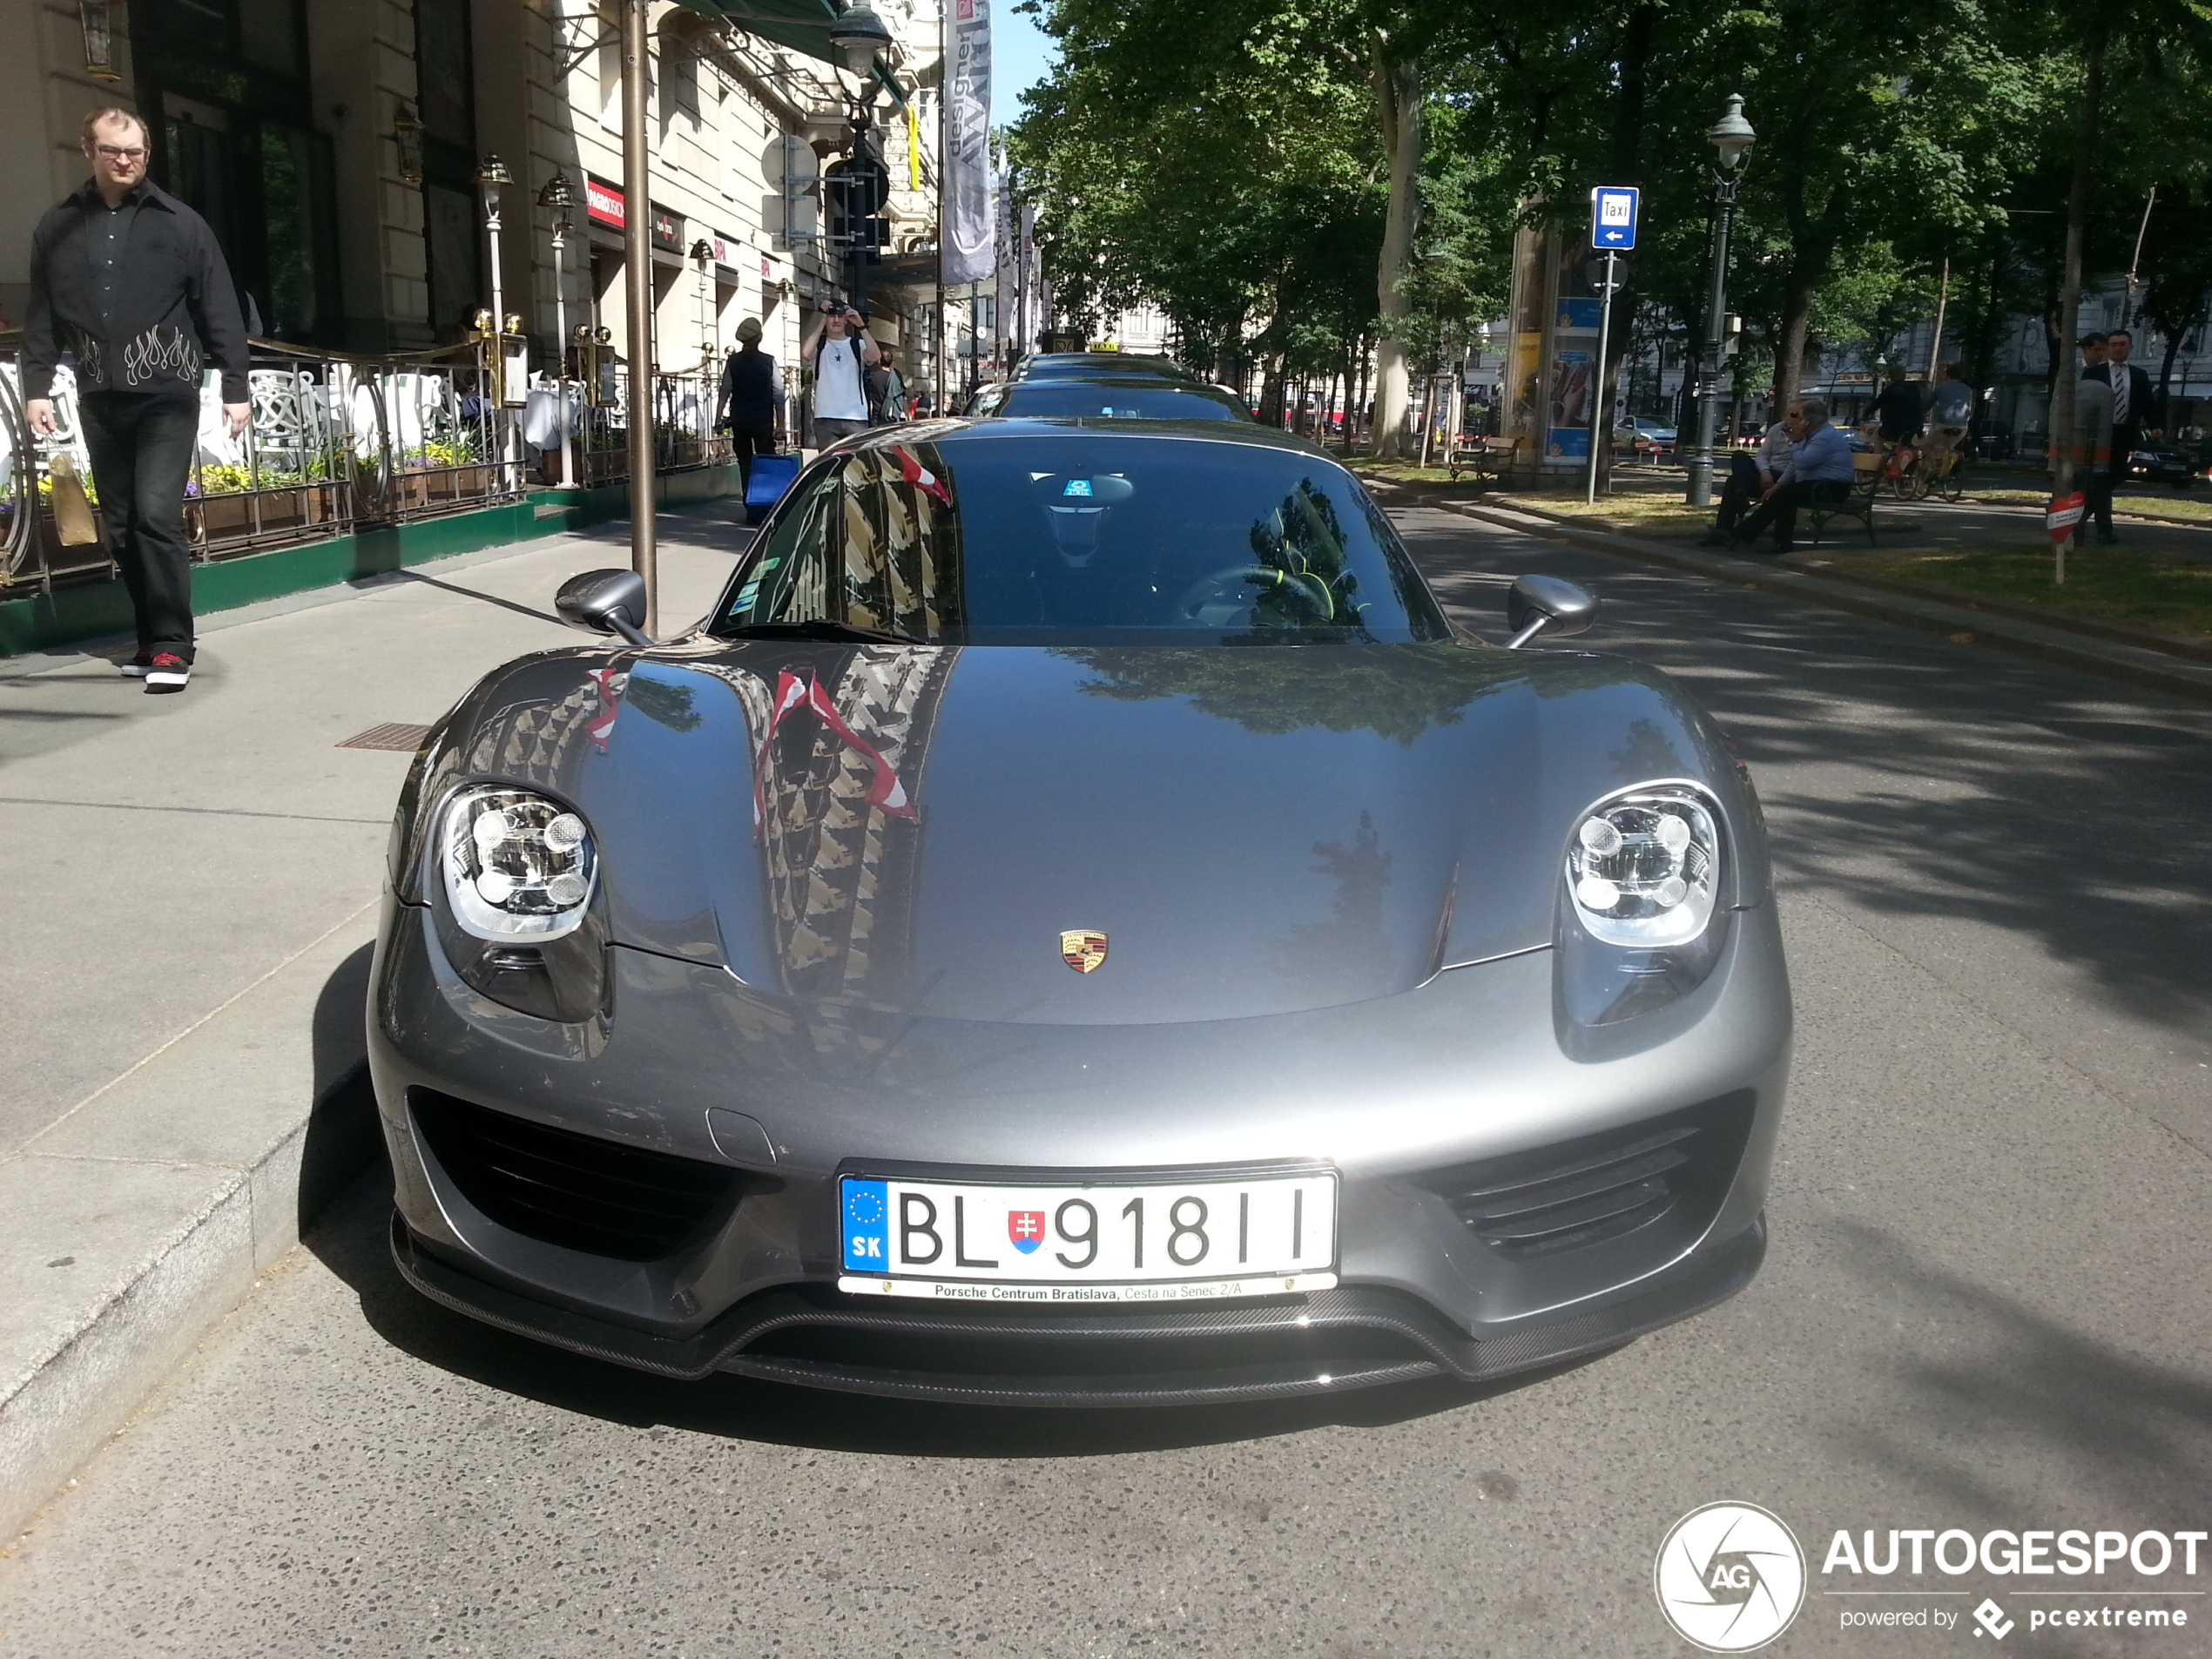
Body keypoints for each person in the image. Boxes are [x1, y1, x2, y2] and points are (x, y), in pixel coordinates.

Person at [24, 108, 250, 693]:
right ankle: (150, 637)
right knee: (122, 525)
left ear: (147, 154)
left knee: (155, 515)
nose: (124, 161)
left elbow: (219, 305)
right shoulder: (58, 226)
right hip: (101, 392)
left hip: (167, 392)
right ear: (88, 150)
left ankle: (175, 645)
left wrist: (235, 386)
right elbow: (42, 313)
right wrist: (37, 386)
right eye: (112, 151)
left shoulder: (181, 224)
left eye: (135, 152)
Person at [1728, 397, 1854, 554]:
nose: (1796, 421)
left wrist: (1794, 442)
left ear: (1807, 422)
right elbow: (1794, 465)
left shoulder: (1824, 437)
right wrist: (1777, 485)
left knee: (1786, 495)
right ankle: (1773, 540)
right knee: (1784, 493)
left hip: (1832, 488)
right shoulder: (1811, 435)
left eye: (1799, 418)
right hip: (1816, 484)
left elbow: (1802, 463)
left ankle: (1745, 534)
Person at [2085, 327, 2156, 543]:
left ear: (2130, 348)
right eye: (2114, 344)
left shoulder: (2138, 375)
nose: (2118, 348)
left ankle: (2079, 516)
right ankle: (2104, 530)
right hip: (2097, 435)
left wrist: (2156, 425)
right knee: (2101, 480)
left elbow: (2147, 403)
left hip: (2124, 433)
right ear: (2107, 349)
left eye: (2122, 344)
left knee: (2114, 477)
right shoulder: (2093, 373)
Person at [1701, 415, 1796, 547]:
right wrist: (1764, 471)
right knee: (1739, 456)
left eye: (1794, 415)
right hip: (1766, 472)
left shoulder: (1804, 435)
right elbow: (1762, 455)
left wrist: (1792, 437)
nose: (1788, 420)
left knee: (1732, 481)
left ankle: (1726, 525)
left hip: (1782, 477)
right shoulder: (1776, 429)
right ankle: (1740, 493)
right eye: (1788, 415)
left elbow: (1797, 464)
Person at [799, 298, 880, 448]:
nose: (836, 320)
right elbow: (806, 353)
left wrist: (861, 325)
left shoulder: (857, 345)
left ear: (846, 320)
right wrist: (822, 320)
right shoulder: (821, 345)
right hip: (825, 417)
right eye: (832, 316)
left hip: (856, 417)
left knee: (858, 466)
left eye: (840, 316)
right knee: (830, 467)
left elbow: (875, 356)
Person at [717, 315, 780, 489]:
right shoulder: (769, 361)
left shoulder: (733, 362)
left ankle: (748, 496)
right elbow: (779, 394)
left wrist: (717, 418)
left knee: (744, 461)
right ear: (760, 338)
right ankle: (766, 497)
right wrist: (781, 424)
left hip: (739, 418)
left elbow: (725, 390)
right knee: (766, 458)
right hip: (762, 419)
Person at [2071, 332, 2116, 548]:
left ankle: (2087, 524)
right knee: (2079, 482)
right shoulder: (2073, 371)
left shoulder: (2105, 373)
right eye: (2097, 349)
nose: (2102, 354)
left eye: (2103, 349)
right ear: (2086, 349)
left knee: (2099, 482)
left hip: (2100, 435)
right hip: (2075, 434)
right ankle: (2087, 525)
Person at [1868, 363, 1930, 478]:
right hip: (1913, 426)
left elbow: (1877, 404)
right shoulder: (1914, 389)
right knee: (1904, 444)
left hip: (1894, 426)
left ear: (1891, 376)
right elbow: (1920, 408)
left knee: (1878, 438)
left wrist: (1865, 414)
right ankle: (1903, 468)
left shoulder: (1891, 389)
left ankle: (1875, 468)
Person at [1922, 362, 1975, 482]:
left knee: (1926, 445)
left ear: (1947, 375)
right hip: (1962, 426)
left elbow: (1927, 406)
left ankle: (1935, 470)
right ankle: (1955, 458)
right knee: (1949, 446)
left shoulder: (1940, 388)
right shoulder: (1968, 389)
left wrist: (1921, 415)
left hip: (1943, 423)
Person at [866, 344, 909, 425]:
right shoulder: (896, 376)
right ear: (891, 361)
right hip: (892, 417)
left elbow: (870, 401)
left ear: (879, 361)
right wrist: (908, 416)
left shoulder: (873, 377)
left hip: (877, 418)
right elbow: (903, 399)